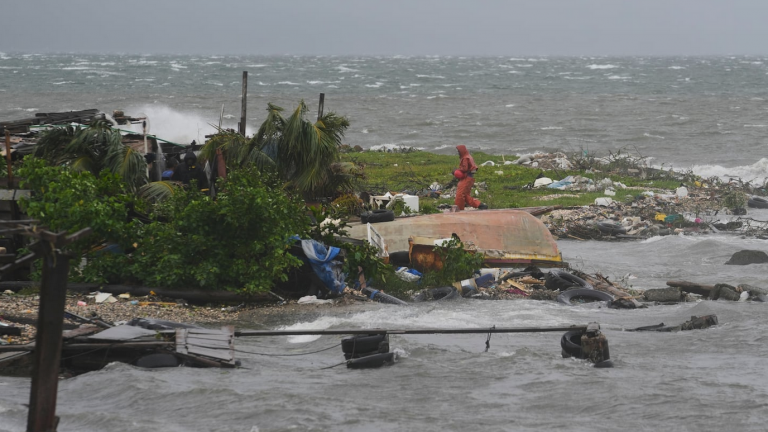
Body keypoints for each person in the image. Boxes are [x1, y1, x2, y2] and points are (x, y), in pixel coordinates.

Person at [454, 144, 487, 210]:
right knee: (466, 195)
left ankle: (459, 209)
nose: (458, 153)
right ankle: (480, 205)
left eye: (459, 151)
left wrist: (456, 171)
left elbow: (465, 169)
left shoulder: (465, 158)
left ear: (462, 151)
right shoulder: (468, 156)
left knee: (460, 194)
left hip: (466, 178)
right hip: (470, 178)